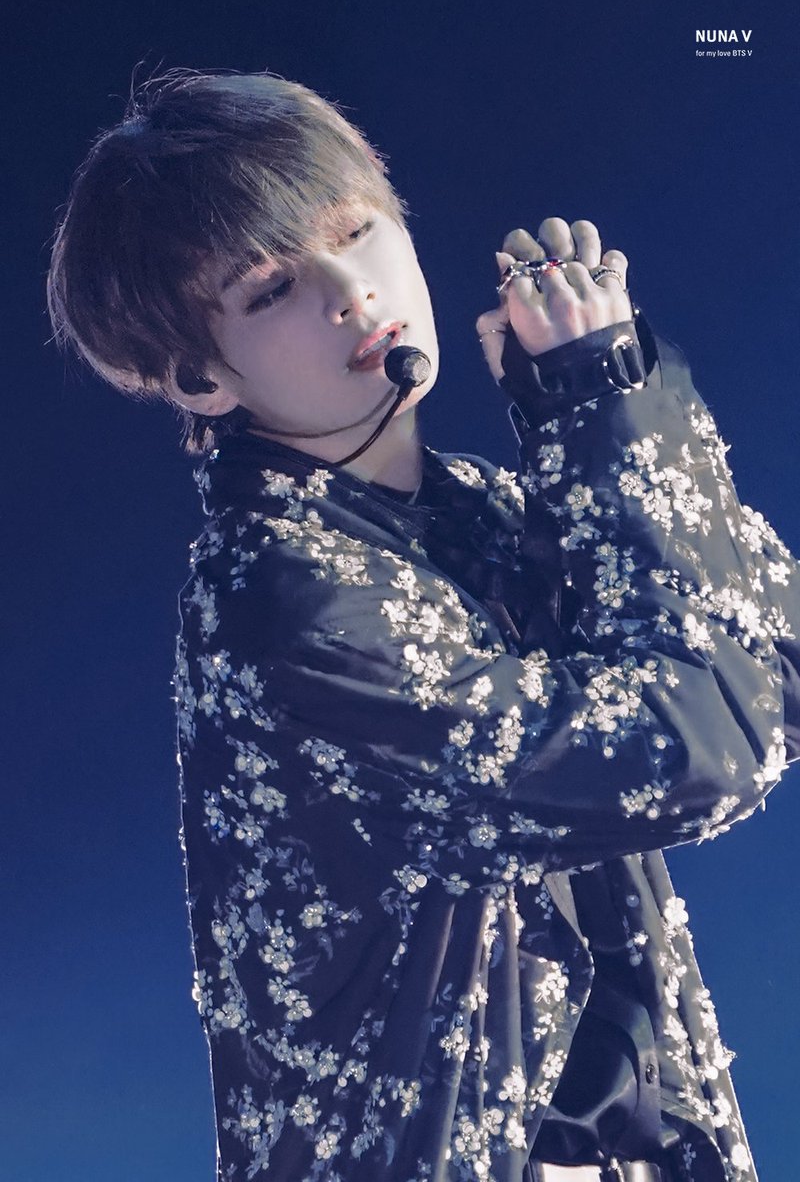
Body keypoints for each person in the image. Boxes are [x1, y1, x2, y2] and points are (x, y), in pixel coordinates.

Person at [46, 67, 800, 1182]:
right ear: (198, 379)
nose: (351, 292)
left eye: (358, 230)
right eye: (271, 289)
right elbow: (696, 756)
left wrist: (595, 421)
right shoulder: (281, 597)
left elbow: (772, 660)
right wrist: (600, 412)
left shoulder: (482, 514)